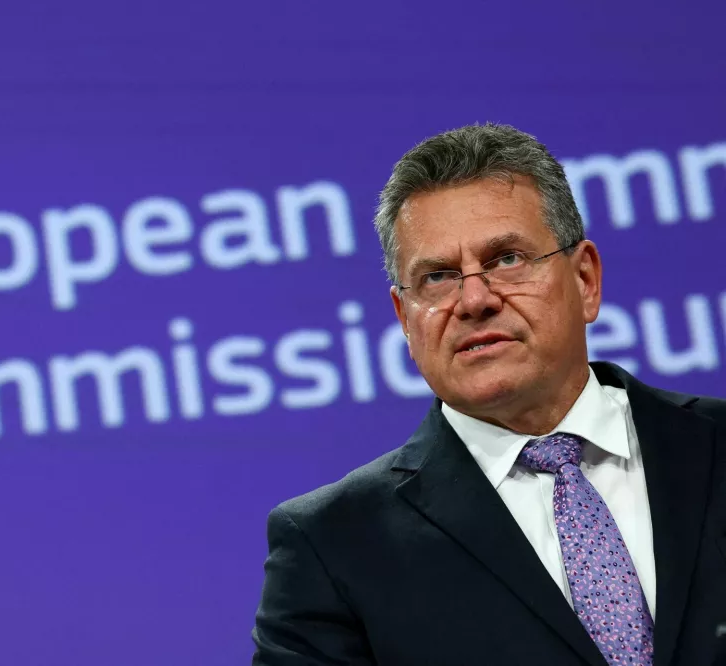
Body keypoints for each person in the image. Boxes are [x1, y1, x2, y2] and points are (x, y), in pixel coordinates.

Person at [251, 123, 726, 666]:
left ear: (585, 280)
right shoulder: (332, 544)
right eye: (437, 277)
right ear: (405, 319)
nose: (474, 299)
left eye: (506, 259)